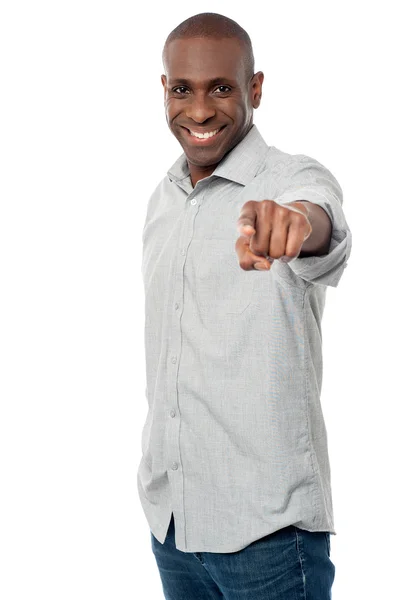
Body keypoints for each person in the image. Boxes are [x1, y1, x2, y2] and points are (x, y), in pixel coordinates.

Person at [137, 12, 352, 600]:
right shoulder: (164, 199)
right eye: (183, 89)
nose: (200, 111)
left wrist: (294, 224)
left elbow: (320, 221)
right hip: (173, 525)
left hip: (270, 538)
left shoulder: (290, 179)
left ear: (255, 89)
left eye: (222, 89)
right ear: (164, 90)